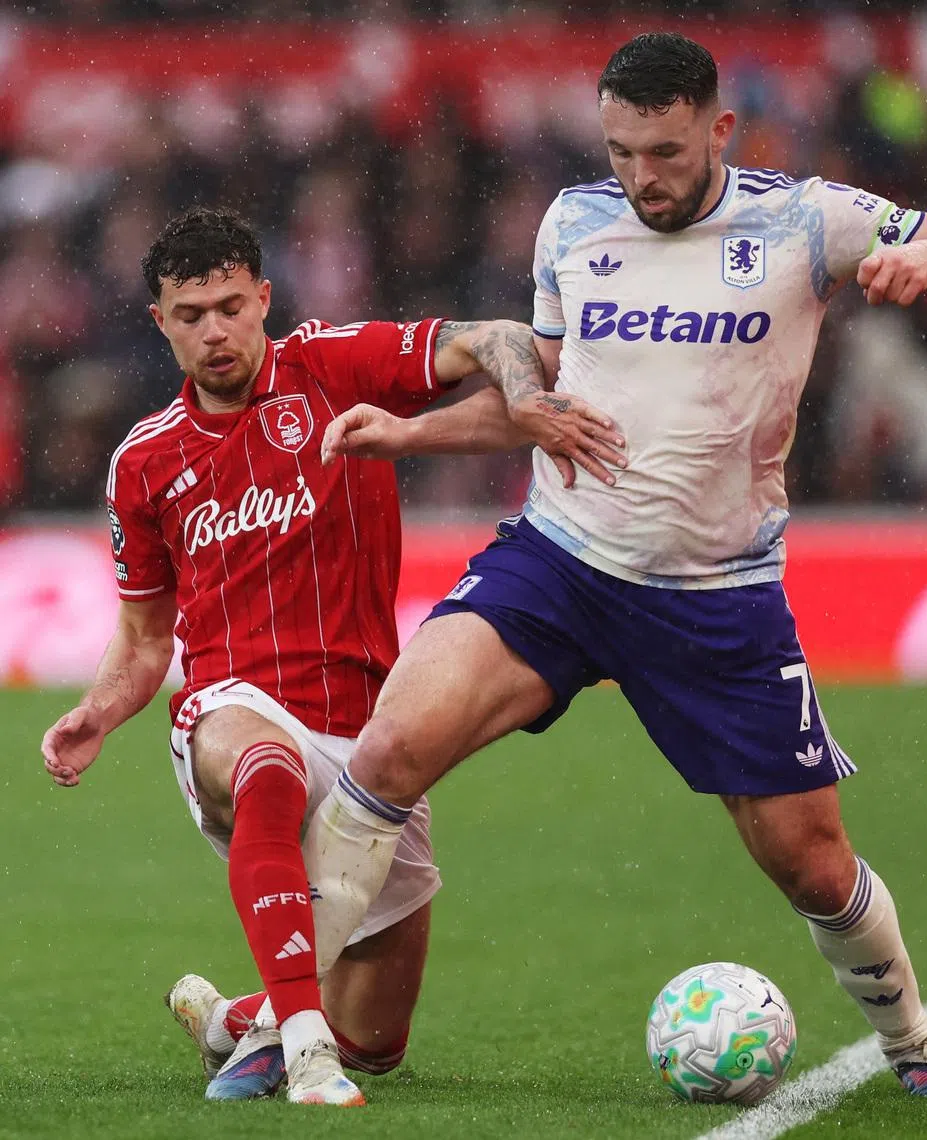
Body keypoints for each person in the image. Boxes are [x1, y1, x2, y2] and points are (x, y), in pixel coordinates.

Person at [298, 33, 927, 1100]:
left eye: (667, 152)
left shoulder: (803, 219)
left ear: (719, 130)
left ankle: (914, 1039)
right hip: (559, 564)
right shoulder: (573, 223)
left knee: (811, 863)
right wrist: (411, 435)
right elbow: (542, 402)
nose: (642, 176)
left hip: (715, 598)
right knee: (388, 750)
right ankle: (288, 1022)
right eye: (622, 151)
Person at [40, 206, 624, 1107]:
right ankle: (307, 1054)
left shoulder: (332, 364)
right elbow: (147, 639)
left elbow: (496, 337)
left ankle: (242, 1019)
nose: (214, 331)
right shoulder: (143, 462)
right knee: (267, 769)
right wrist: (100, 710)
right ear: (160, 322)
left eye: (230, 307)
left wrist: (521, 397)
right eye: (190, 316)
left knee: (377, 1042)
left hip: (370, 741)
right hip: (233, 711)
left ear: (263, 299)